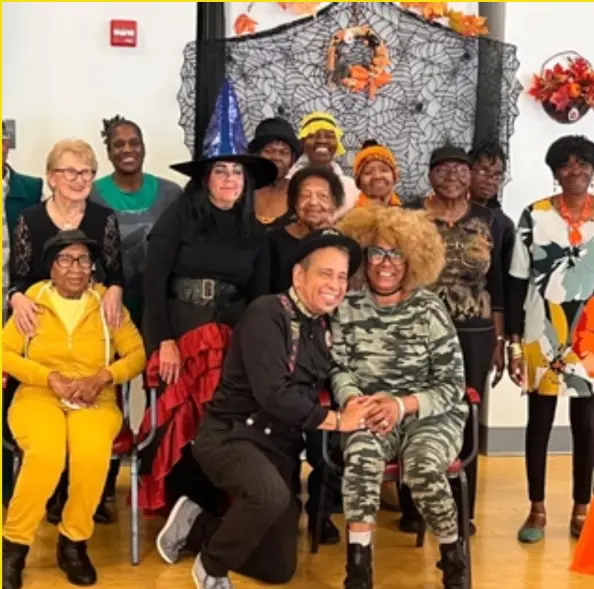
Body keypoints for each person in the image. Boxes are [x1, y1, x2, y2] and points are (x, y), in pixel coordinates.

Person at [154, 228, 369, 589]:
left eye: (342, 277)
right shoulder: (267, 313)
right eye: (325, 273)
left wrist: (362, 401)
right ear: (298, 275)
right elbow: (274, 394)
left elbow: (336, 374)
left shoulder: (322, 325)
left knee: (277, 568)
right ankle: (212, 567)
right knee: (269, 496)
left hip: (279, 447)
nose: (335, 285)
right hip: (232, 436)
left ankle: (195, 525)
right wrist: (337, 421)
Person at [138, 90, 277, 514]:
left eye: (237, 171)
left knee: (222, 415)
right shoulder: (179, 216)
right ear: (206, 178)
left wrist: (255, 354)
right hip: (181, 330)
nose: (230, 179)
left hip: (232, 335)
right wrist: (163, 341)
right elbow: (154, 282)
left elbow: (260, 299)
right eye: (221, 171)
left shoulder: (256, 232)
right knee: (183, 415)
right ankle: (182, 503)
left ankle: (218, 506)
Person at [1, 230, 146, 589]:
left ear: (93, 266)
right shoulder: (33, 302)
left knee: (91, 455)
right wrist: (47, 377)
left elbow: (137, 355)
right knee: (46, 454)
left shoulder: (107, 305)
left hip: (94, 398)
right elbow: (4, 352)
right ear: (50, 267)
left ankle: (73, 543)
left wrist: (103, 376)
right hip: (38, 395)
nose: (75, 268)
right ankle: (14, 546)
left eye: (83, 260)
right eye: (65, 259)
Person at [334, 206, 468, 589]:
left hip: (430, 415)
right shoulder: (347, 307)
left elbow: (452, 384)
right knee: (361, 456)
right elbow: (339, 368)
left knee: (424, 467)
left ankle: (453, 561)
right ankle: (358, 570)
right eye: (377, 253)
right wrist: (354, 400)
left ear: (412, 259)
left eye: (396, 254)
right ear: (364, 256)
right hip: (370, 411)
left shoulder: (429, 308)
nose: (386, 264)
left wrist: (400, 405)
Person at [7, 138, 124, 524]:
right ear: (51, 177)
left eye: (87, 172)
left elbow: (114, 271)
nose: (80, 179)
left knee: (93, 421)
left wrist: (115, 292)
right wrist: (17, 299)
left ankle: (88, 500)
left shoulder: (103, 218)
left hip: (90, 321)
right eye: (71, 171)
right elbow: (19, 276)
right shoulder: (30, 219)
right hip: (42, 321)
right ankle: (49, 495)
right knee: (46, 427)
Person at [407, 145, 505, 535]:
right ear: (430, 175)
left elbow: (498, 284)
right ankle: (415, 507)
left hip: (474, 332)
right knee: (417, 410)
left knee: (466, 413)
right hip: (419, 328)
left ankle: (462, 509)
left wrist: (500, 339)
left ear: (470, 176)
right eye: (442, 168)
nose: (452, 175)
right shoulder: (411, 215)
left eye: (460, 168)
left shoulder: (490, 220)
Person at [90, 115, 182, 514]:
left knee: (161, 391)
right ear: (108, 151)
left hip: (160, 307)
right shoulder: (94, 195)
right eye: (119, 144)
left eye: (134, 142)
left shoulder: (171, 194)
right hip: (110, 308)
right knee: (107, 391)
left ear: (143, 146)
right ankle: (102, 483)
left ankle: (156, 478)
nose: (127, 149)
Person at [508, 135, 594, 544]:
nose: (574, 170)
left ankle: (581, 509)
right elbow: (515, 280)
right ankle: (536, 509)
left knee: (587, 425)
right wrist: (512, 341)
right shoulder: (534, 215)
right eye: (565, 164)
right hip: (541, 331)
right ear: (555, 172)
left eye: (582, 163)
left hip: (590, 336)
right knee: (539, 422)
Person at [2, 121, 43, 506]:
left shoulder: (30, 189)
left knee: (11, 397)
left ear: (7, 143)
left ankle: (8, 484)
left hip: (18, 308)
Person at [269, 165, 345, 293]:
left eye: (322, 196)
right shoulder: (273, 240)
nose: (313, 202)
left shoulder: (344, 243)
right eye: (305, 195)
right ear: (294, 202)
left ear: (334, 203)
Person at [469, 141, 515, 327]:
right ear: (468, 171)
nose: (490, 180)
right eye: (483, 171)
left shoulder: (503, 224)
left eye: (497, 175)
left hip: (485, 317)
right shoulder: (447, 215)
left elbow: (505, 282)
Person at [288, 111, 358, 220]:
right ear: (302, 143)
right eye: (313, 136)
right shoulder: (286, 184)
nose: (322, 140)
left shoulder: (351, 187)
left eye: (329, 136)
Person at [247, 117, 300, 227]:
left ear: (292, 160)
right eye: (268, 151)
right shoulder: (240, 192)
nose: (276, 157)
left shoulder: (299, 193)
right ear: (257, 155)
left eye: (284, 152)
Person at [352, 140, 401, 208]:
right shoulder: (353, 214)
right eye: (368, 172)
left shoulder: (405, 212)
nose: (377, 176)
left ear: (395, 176)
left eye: (384, 170)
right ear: (358, 182)